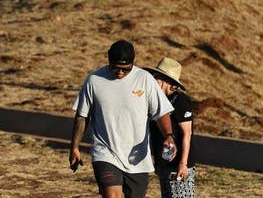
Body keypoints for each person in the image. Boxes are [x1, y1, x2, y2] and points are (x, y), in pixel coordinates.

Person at [69, 40, 177, 198]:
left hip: (137, 159)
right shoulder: (94, 80)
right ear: (109, 61)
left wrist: (168, 135)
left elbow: (161, 112)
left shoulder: (145, 79)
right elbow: (82, 116)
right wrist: (75, 147)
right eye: (116, 68)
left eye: (125, 69)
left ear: (133, 63)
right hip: (105, 153)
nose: (120, 73)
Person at [146, 58, 196, 198]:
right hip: (164, 163)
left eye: (157, 78)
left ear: (165, 80)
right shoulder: (158, 101)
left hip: (178, 165)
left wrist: (183, 164)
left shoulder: (180, 101)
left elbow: (187, 134)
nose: (154, 81)